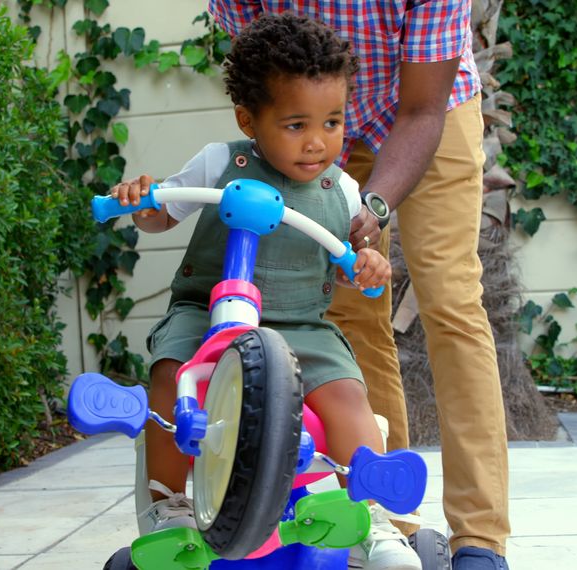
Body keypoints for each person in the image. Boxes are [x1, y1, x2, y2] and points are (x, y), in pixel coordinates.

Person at [110, 13, 423, 570]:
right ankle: (170, 505)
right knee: (170, 375)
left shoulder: (344, 188)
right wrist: (141, 201)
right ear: (249, 119)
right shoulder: (220, 163)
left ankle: (369, 516)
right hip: (207, 313)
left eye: (332, 122)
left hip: (301, 325)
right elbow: (162, 214)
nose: (318, 143)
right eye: (296, 125)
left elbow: (352, 261)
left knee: (348, 393)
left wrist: (371, 264)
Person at [208, 3, 511, 570]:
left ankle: (480, 538)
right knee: (346, 315)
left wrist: (374, 204)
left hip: (426, 112)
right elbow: (263, 74)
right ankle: (383, 522)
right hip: (317, 114)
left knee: (449, 301)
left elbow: (421, 111)